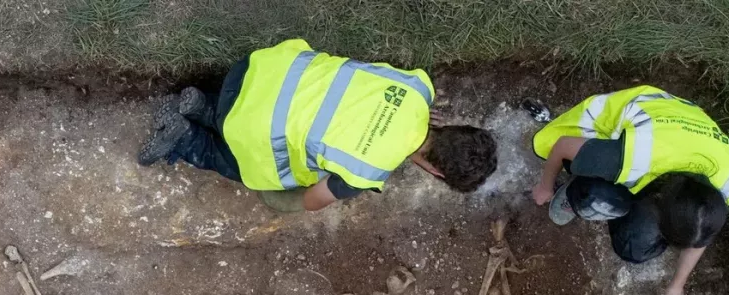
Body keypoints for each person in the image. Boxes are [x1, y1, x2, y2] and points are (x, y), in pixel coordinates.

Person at [138, 38, 498, 212]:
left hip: (256, 69)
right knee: (253, 168)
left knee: (281, 109)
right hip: (245, 120)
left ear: (453, 127)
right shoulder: (366, 172)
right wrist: (284, 199)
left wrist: (414, 113)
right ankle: (186, 137)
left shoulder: (418, 88)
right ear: (435, 172)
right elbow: (311, 200)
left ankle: (203, 105)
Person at [531, 86, 729, 295]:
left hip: (677, 147)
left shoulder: (724, 186)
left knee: (634, 247)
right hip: (630, 126)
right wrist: (545, 187)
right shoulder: (633, 156)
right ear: (660, 199)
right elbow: (563, 145)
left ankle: (623, 197)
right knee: (594, 198)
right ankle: (576, 190)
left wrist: (677, 285)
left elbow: (701, 229)